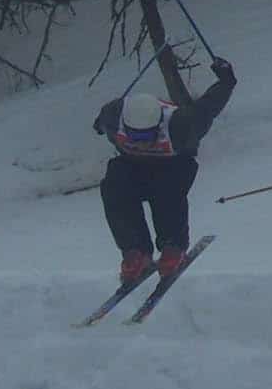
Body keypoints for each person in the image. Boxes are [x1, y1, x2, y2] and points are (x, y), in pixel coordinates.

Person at [93, 57, 237, 282]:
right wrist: (99, 124)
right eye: (135, 136)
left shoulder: (183, 124)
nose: (141, 142)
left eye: (147, 136)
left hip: (174, 165)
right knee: (114, 186)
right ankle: (135, 251)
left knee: (167, 192)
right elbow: (102, 118)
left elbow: (210, 105)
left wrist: (226, 81)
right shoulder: (113, 117)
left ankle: (172, 246)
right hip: (133, 166)